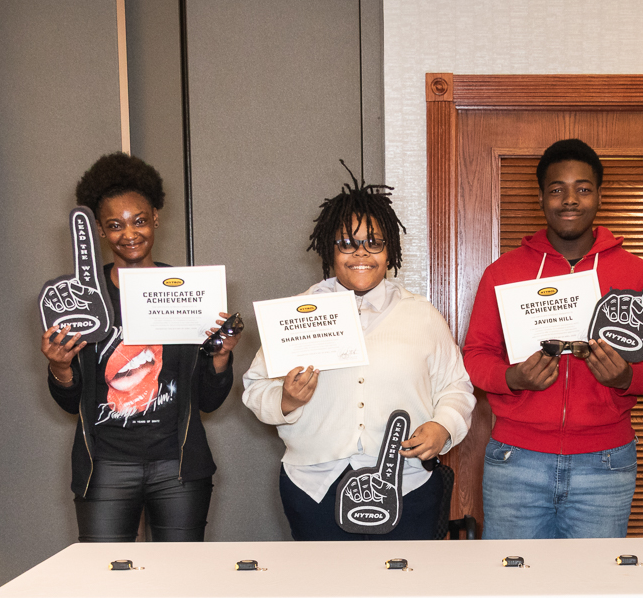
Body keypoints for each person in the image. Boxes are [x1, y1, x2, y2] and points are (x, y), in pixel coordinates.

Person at [242, 170, 474, 541]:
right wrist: (285, 399)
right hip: (314, 487)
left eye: (374, 243)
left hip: (406, 485)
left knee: (402, 592)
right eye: (347, 243)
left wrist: (442, 425)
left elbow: (456, 387)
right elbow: (254, 389)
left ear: (390, 250)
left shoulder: (422, 315)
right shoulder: (297, 313)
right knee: (325, 593)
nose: (361, 253)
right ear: (329, 249)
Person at [462, 139, 643, 539]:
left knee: (593, 590)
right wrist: (513, 379)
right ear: (541, 197)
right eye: (557, 189)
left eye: (583, 188)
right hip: (517, 460)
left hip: (605, 462)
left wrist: (626, 378)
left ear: (599, 195)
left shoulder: (636, 275)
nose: (570, 200)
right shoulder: (503, 273)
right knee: (511, 585)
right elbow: (475, 355)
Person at [43, 153, 239, 542]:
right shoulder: (81, 298)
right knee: (105, 584)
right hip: (106, 466)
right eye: (115, 225)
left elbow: (209, 401)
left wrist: (220, 356)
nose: (129, 233)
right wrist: (60, 368)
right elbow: (70, 403)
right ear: (99, 230)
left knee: (181, 584)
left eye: (139, 221)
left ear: (156, 219)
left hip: (178, 467)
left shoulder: (189, 291)